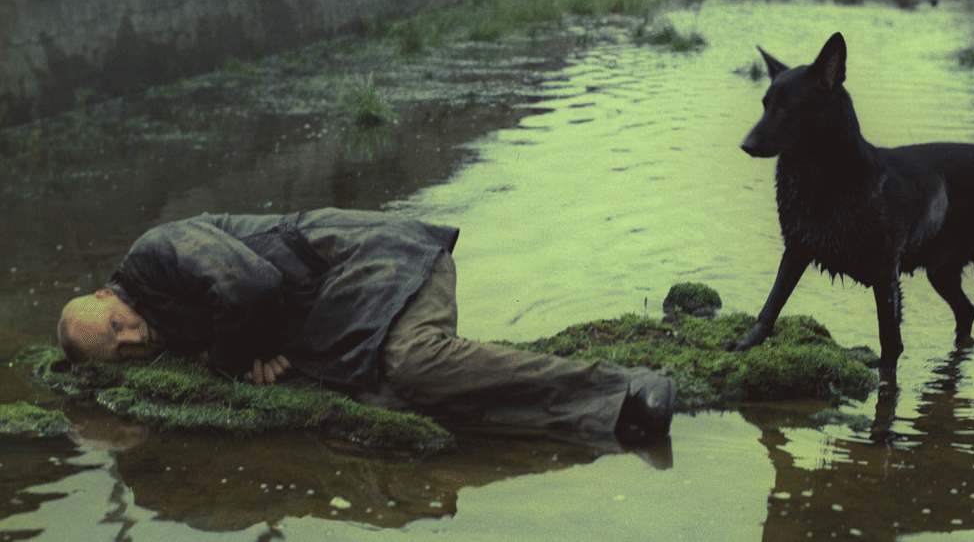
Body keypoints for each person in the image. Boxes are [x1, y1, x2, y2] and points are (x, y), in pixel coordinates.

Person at [57, 208, 674, 443]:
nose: (133, 339)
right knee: (388, 397)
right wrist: (264, 352)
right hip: (346, 310)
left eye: (116, 323)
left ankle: (625, 382)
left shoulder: (153, 251)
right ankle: (610, 421)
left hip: (379, 261)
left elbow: (251, 286)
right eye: (121, 351)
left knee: (414, 362)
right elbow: (249, 314)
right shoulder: (157, 317)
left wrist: (236, 361)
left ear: (102, 291)